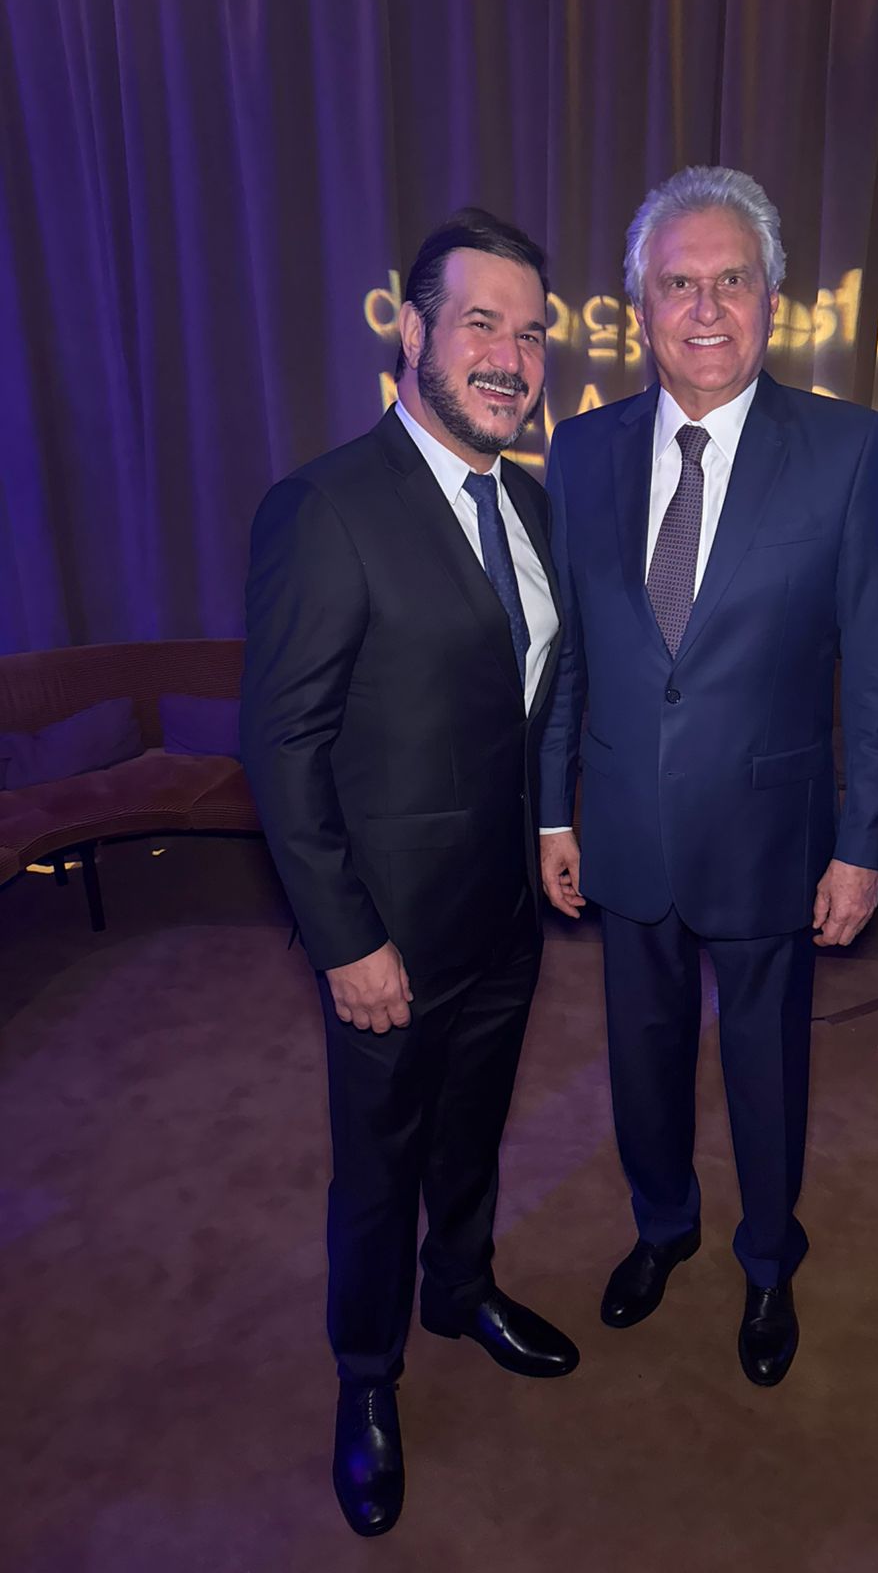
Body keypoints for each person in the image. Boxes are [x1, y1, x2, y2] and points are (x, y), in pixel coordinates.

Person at [539, 166, 878, 1389]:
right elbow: (569, 656)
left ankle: (766, 1261)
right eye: (678, 284)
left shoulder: (845, 448)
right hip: (624, 828)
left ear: (772, 300)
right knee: (641, 1060)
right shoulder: (581, 452)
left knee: (766, 1068)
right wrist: (549, 813)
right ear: (640, 308)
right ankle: (662, 1226)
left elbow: (875, 667)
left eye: (731, 280)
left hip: (771, 835)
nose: (706, 309)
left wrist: (863, 842)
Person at [241, 208, 577, 1539]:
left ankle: (462, 1289)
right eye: (482, 323)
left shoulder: (531, 505)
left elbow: (527, 705)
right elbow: (282, 747)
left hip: (503, 920)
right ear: (414, 332)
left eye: (531, 333)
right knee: (376, 1167)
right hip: (385, 936)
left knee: (473, 1129)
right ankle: (366, 1376)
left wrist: (548, 834)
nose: (511, 356)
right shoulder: (326, 507)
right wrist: (344, 941)